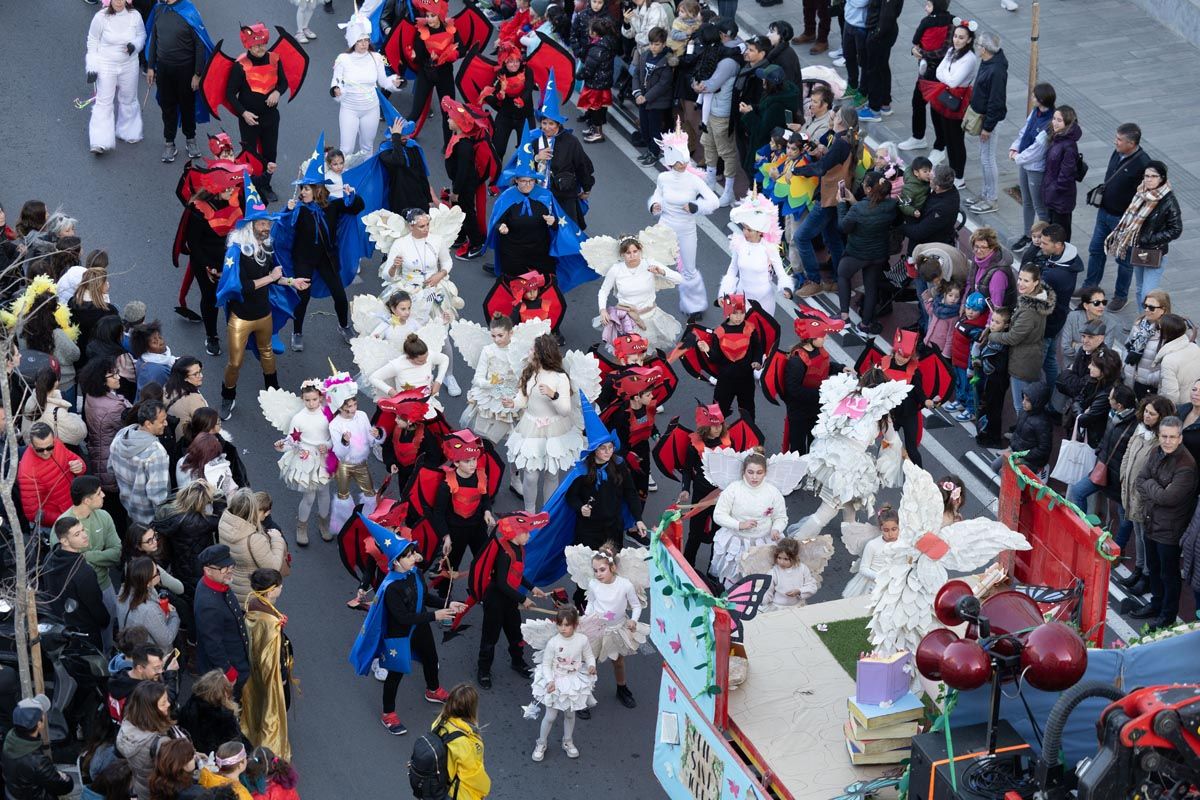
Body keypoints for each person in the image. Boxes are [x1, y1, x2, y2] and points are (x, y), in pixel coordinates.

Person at [349, 523, 462, 734]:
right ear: (396, 562)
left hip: (419, 626)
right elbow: (402, 617)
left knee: (431, 657)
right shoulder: (391, 587)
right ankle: (388, 714)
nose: (415, 557)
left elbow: (424, 597)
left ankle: (433, 689)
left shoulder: (415, 574)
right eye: (410, 555)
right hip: (399, 634)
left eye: (413, 552)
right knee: (395, 675)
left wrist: (447, 605)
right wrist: (435, 615)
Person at [216, 188, 306, 420]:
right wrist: (272, 278)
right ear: (250, 225)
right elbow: (242, 287)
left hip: (263, 314)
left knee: (267, 354)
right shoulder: (236, 251)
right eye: (262, 223)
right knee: (235, 362)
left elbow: (276, 276)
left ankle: (273, 396)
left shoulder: (267, 247)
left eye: (268, 223)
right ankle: (227, 397)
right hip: (241, 318)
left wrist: (291, 281)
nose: (267, 227)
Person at [283, 155, 365, 348]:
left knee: (340, 295)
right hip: (303, 260)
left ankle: (344, 326)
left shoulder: (332, 206)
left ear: (317, 189)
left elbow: (357, 208)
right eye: (302, 188)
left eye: (306, 188)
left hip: (327, 258)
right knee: (302, 298)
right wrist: (287, 211)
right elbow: (283, 228)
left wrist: (352, 195)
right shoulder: (299, 210)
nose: (302, 192)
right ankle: (297, 331)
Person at [1131, 416, 1199, 630]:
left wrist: (1152, 486)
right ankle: (1156, 605)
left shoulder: (1187, 466)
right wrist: (1158, 487)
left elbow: (1168, 499)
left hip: (1170, 529)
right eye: (1164, 436)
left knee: (1168, 575)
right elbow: (1139, 480)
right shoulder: (1156, 451)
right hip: (1152, 522)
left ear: (1180, 438)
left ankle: (1167, 616)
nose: (1167, 441)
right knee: (1154, 568)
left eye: (1172, 437)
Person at [649, 125, 720, 322]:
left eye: (684, 159)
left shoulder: (693, 180)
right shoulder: (663, 177)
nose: (682, 164)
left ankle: (694, 305)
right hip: (664, 228)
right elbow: (658, 194)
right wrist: (655, 205)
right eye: (677, 160)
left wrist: (696, 207)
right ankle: (640, 301)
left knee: (688, 268)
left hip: (686, 230)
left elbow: (714, 201)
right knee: (650, 262)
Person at [507, 335, 586, 510]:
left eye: (532, 349)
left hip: (555, 429)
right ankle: (530, 511)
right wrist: (513, 403)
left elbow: (565, 410)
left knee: (551, 473)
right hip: (531, 427)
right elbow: (523, 398)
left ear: (541, 354)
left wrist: (553, 395)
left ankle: (547, 511)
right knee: (531, 475)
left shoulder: (560, 378)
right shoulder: (528, 372)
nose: (528, 352)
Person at [791, 106, 861, 296]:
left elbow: (821, 168)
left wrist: (797, 170)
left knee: (801, 237)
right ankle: (840, 280)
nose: (833, 116)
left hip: (828, 196)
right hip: (837, 195)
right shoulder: (849, 139)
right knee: (832, 238)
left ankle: (814, 280)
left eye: (836, 115)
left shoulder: (840, 143)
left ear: (840, 121)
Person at [1084, 123, 1152, 309]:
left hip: (1124, 220)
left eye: (1120, 139)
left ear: (1131, 143)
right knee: (1096, 250)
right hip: (1104, 213)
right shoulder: (1117, 152)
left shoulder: (1143, 164)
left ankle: (1121, 295)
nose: (1116, 141)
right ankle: (1090, 287)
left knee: (1124, 261)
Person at [1103, 161, 1183, 307]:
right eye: (1146, 176)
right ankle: (1141, 324)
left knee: (1148, 294)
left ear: (1162, 178)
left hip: (1154, 251)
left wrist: (1150, 238)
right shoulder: (1141, 193)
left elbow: (1176, 229)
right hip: (1138, 249)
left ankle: (1153, 325)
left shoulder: (1168, 200)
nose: (1149, 179)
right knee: (1140, 290)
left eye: (1153, 176)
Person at [145, 0, 213, 163]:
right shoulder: (159, 9)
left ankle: (191, 140)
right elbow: (153, 39)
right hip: (163, 69)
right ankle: (169, 143)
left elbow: (200, 45)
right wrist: (150, 66)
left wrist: (197, 74)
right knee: (167, 107)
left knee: (187, 106)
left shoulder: (189, 11)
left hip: (185, 70)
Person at [834, 170, 899, 336]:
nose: (862, 184)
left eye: (864, 183)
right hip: (878, 254)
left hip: (857, 253)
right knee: (871, 288)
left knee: (842, 273)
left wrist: (841, 204)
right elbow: (871, 210)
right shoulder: (891, 205)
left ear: (869, 190)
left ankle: (844, 316)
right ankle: (865, 324)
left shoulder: (860, 209)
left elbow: (843, 226)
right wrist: (854, 201)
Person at [711, 453, 788, 587]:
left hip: (763, 542)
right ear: (743, 471)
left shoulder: (773, 492)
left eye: (759, 473)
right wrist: (739, 524)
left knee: (760, 579)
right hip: (737, 541)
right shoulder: (734, 489)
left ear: (765, 473)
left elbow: (780, 517)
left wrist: (776, 528)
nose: (754, 477)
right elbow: (718, 515)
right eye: (750, 472)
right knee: (733, 576)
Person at [986, 263, 1055, 412]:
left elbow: (1013, 337)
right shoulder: (1034, 300)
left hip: (1023, 362)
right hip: (1029, 357)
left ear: (1036, 282)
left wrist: (993, 336)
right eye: (1020, 278)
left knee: (1021, 405)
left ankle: (1022, 433)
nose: (1020, 283)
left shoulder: (1029, 310)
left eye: (1026, 280)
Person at [529, 606, 596, 761]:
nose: (562, 628)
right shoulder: (553, 642)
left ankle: (568, 741)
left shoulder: (582, 640)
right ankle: (541, 743)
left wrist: (592, 666)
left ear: (575, 625)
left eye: (567, 625)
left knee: (570, 714)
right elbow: (546, 664)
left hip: (573, 682)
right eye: (560, 624)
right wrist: (550, 681)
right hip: (556, 680)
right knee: (550, 716)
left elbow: (589, 656)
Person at [332, 15, 403, 157]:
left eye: (366, 40)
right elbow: (336, 82)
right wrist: (336, 91)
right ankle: (343, 177)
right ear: (353, 41)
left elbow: (384, 81)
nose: (364, 44)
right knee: (346, 149)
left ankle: (366, 177)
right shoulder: (343, 59)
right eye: (360, 41)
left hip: (371, 109)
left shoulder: (376, 57)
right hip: (349, 109)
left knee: (367, 148)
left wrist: (394, 82)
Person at [241, 569, 293, 760]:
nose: (281, 588)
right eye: (279, 586)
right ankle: (271, 750)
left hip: (253, 668)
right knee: (275, 706)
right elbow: (274, 655)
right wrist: (283, 675)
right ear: (270, 591)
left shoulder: (253, 602)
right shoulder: (270, 622)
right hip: (271, 672)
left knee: (257, 702)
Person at [39, 516, 112, 650]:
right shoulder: (83, 572)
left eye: (83, 530)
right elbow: (95, 606)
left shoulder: (50, 558)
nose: (85, 536)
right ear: (64, 541)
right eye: (77, 534)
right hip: (84, 633)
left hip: (60, 627)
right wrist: (105, 621)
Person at [85, 0, 146, 154]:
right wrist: (92, 66)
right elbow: (92, 41)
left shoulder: (135, 16)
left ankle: (128, 131)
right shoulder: (100, 17)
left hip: (129, 65)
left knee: (129, 97)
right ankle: (99, 141)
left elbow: (142, 35)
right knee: (104, 101)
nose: (119, 2)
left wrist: (135, 45)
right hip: (106, 65)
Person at [193, 544, 252, 698]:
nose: (229, 570)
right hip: (231, 665)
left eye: (230, 565)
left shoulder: (218, 583)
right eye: (223, 568)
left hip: (237, 657)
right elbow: (213, 643)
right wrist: (228, 671)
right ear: (208, 570)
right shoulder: (209, 604)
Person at [117, 681, 188, 800]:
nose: (169, 704)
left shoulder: (127, 724)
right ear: (150, 709)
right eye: (163, 703)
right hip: (161, 793)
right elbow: (177, 770)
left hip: (141, 786)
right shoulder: (160, 742)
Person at [926, 18, 977, 187]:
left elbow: (954, 81)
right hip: (945, 95)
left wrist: (947, 79)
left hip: (958, 100)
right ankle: (952, 170)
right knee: (947, 135)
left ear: (969, 39)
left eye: (961, 37)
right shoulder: (951, 51)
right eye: (955, 36)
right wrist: (948, 79)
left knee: (956, 139)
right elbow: (940, 71)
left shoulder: (969, 58)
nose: (957, 40)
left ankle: (959, 176)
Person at [720, 193, 787, 316]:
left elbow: (781, 272)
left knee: (761, 334)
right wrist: (724, 293)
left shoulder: (769, 248)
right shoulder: (738, 244)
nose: (745, 232)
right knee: (738, 333)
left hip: (763, 301)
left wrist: (786, 288)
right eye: (744, 228)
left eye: (749, 230)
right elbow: (732, 269)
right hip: (741, 298)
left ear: (760, 232)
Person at [898, 0, 951, 152]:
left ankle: (940, 146)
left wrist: (921, 54)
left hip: (939, 76)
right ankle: (918, 137)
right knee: (918, 102)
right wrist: (917, 52)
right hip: (929, 73)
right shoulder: (946, 21)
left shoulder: (943, 23)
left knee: (936, 110)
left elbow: (944, 50)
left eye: (929, 4)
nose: (925, 6)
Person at [219, 488, 286, 605]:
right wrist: (277, 539)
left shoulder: (224, 523)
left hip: (232, 586)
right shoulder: (254, 539)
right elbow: (274, 567)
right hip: (253, 594)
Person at [109, 401, 171, 527]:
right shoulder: (156, 453)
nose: (166, 423)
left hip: (127, 507)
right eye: (162, 421)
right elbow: (158, 496)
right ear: (148, 424)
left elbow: (110, 468)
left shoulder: (122, 435)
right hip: (149, 519)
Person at [156, 481, 221, 603]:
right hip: (198, 569)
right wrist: (218, 495)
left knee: (189, 596)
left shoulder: (175, 513)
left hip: (180, 565)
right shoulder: (197, 522)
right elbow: (220, 519)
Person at [1007, 82, 1055, 247]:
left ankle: (1044, 241)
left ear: (1041, 99)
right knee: (1026, 201)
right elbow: (1024, 131)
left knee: (1039, 206)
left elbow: (1037, 149)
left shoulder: (1049, 122)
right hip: (1024, 164)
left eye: (1034, 96)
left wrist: (1018, 157)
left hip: (1036, 169)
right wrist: (1015, 147)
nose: (1032, 97)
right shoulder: (1035, 112)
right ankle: (1028, 234)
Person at [964, 32, 1007, 214]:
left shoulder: (995, 70)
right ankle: (985, 193)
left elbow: (996, 101)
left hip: (988, 121)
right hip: (984, 117)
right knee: (984, 158)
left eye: (978, 45)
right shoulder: (990, 62)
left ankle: (991, 199)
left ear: (984, 49)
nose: (977, 48)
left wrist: (987, 127)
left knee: (988, 159)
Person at [1038, 223, 1084, 394]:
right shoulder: (1070, 260)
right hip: (1059, 319)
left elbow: (1036, 298)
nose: (1039, 245)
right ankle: (1055, 396)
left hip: (1047, 323)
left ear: (1058, 245)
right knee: (1050, 361)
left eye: (1044, 243)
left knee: (1036, 365)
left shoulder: (1053, 275)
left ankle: (1038, 398)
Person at [18, 421, 87, 532]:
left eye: (50, 447)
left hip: (76, 508)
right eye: (40, 449)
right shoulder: (27, 472)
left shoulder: (58, 444)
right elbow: (33, 514)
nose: (46, 452)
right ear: (31, 444)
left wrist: (80, 466)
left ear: (53, 440)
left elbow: (76, 460)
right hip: (59, 525)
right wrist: (64, 518)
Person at [1, 697, 74, 800]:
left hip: (14, 792)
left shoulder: (9, 738)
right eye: (42, 715)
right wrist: (65, 777)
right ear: (39, 725)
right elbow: (64, 787)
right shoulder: (38, 762)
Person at [431, 684, 491, 800]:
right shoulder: (465, 742)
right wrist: (483, 791)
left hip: (437, 784)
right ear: (472, 708)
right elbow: (472, 776)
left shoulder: (440, 722)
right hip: (457, 793)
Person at [116, 557, 182, 653]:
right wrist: (173, 615)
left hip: (132, 651)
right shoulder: (148, 610)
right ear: (147, 582)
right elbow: (166, 639)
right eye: (157, 573)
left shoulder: (122, 593)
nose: (159, 575)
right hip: (151, 659)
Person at [177, 670, 242, 760]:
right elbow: (235, 747)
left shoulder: (190, 705)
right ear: (224, 693)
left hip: (191, 756)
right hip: (217, 762)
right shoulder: (224, 717)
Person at [1040, 106, 1082, 240]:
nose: (1055, 122)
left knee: (1060, 234)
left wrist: (1054, 190)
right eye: (1054, 118)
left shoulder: (1068, 145)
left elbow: (1066, 175)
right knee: (1053, 232)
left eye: (1059, 120)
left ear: (1068, 123)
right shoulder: (1057, 138)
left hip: (1060, 199)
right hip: (1053, 196)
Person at [1122, 289, 1173, 398]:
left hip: (1148, 387)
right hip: (1129, 380)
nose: (1146, 310)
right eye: (1145, 305)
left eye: (1151, 307)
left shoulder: (1168, 332)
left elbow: (1168, 366)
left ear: (1163, 310)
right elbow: (1126, 347)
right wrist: (1124, 366)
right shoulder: (1139, 324)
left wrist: (1149, 379)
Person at [858, 0, 903, 122]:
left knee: (874, 71)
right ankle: (884, 103)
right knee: (882, 67)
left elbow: (887, 15)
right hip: (883, 32)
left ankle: (874, 109)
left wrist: (875, 34)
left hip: (879, 34)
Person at [841, 505, 899, 597]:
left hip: (894, 583)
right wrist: (880, 577)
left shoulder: (901, 543)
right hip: (872, 583)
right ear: (881, 528)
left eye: (894, 529)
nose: (890, 534)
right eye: (886, 530)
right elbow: (863, 569)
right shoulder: (872, 545)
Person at [1153, 314, 1200, 406]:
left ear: (1166, 333)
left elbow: (1171, 396)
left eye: (1158, 329)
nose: (1156, 332)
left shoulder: (1168, 361)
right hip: (1195, 401)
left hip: (1182, 407)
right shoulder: (1194, 347)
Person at [965, 227, 1015, 310]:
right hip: (975, 308)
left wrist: (988, 323)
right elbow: (970, 283)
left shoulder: (998, 274)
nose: (978, 250)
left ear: (992, 248)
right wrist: (964, 303)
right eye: (976, 246)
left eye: (983, 247)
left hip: (989, 314)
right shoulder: (977, 259)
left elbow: (995, 306)